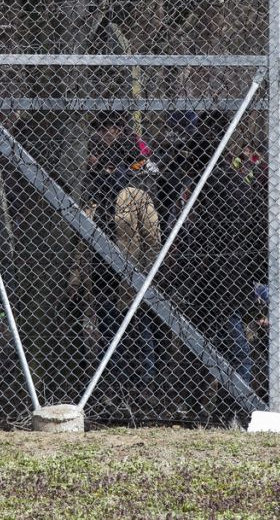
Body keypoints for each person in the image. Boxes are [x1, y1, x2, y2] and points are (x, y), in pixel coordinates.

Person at [171, 111, 266, 414]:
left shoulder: (210, 187)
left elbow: (233, 238)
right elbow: (250, 238)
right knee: (233, 353)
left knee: (208, 349)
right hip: (223, 282)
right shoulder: (231, 185)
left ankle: (208, 407)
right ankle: (230, 411)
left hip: (213, 281)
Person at [86, 112, 160, 408]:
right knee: (108, 326)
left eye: (107, 128)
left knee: (137, 325)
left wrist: (148, 268)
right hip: (103, 267)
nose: (103, 135)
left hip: (132, 265)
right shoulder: (94, 173)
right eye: (100, 129)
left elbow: (151, 232)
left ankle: (143, 384)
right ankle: (113, 385)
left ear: (117, 129)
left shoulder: (136, 170)